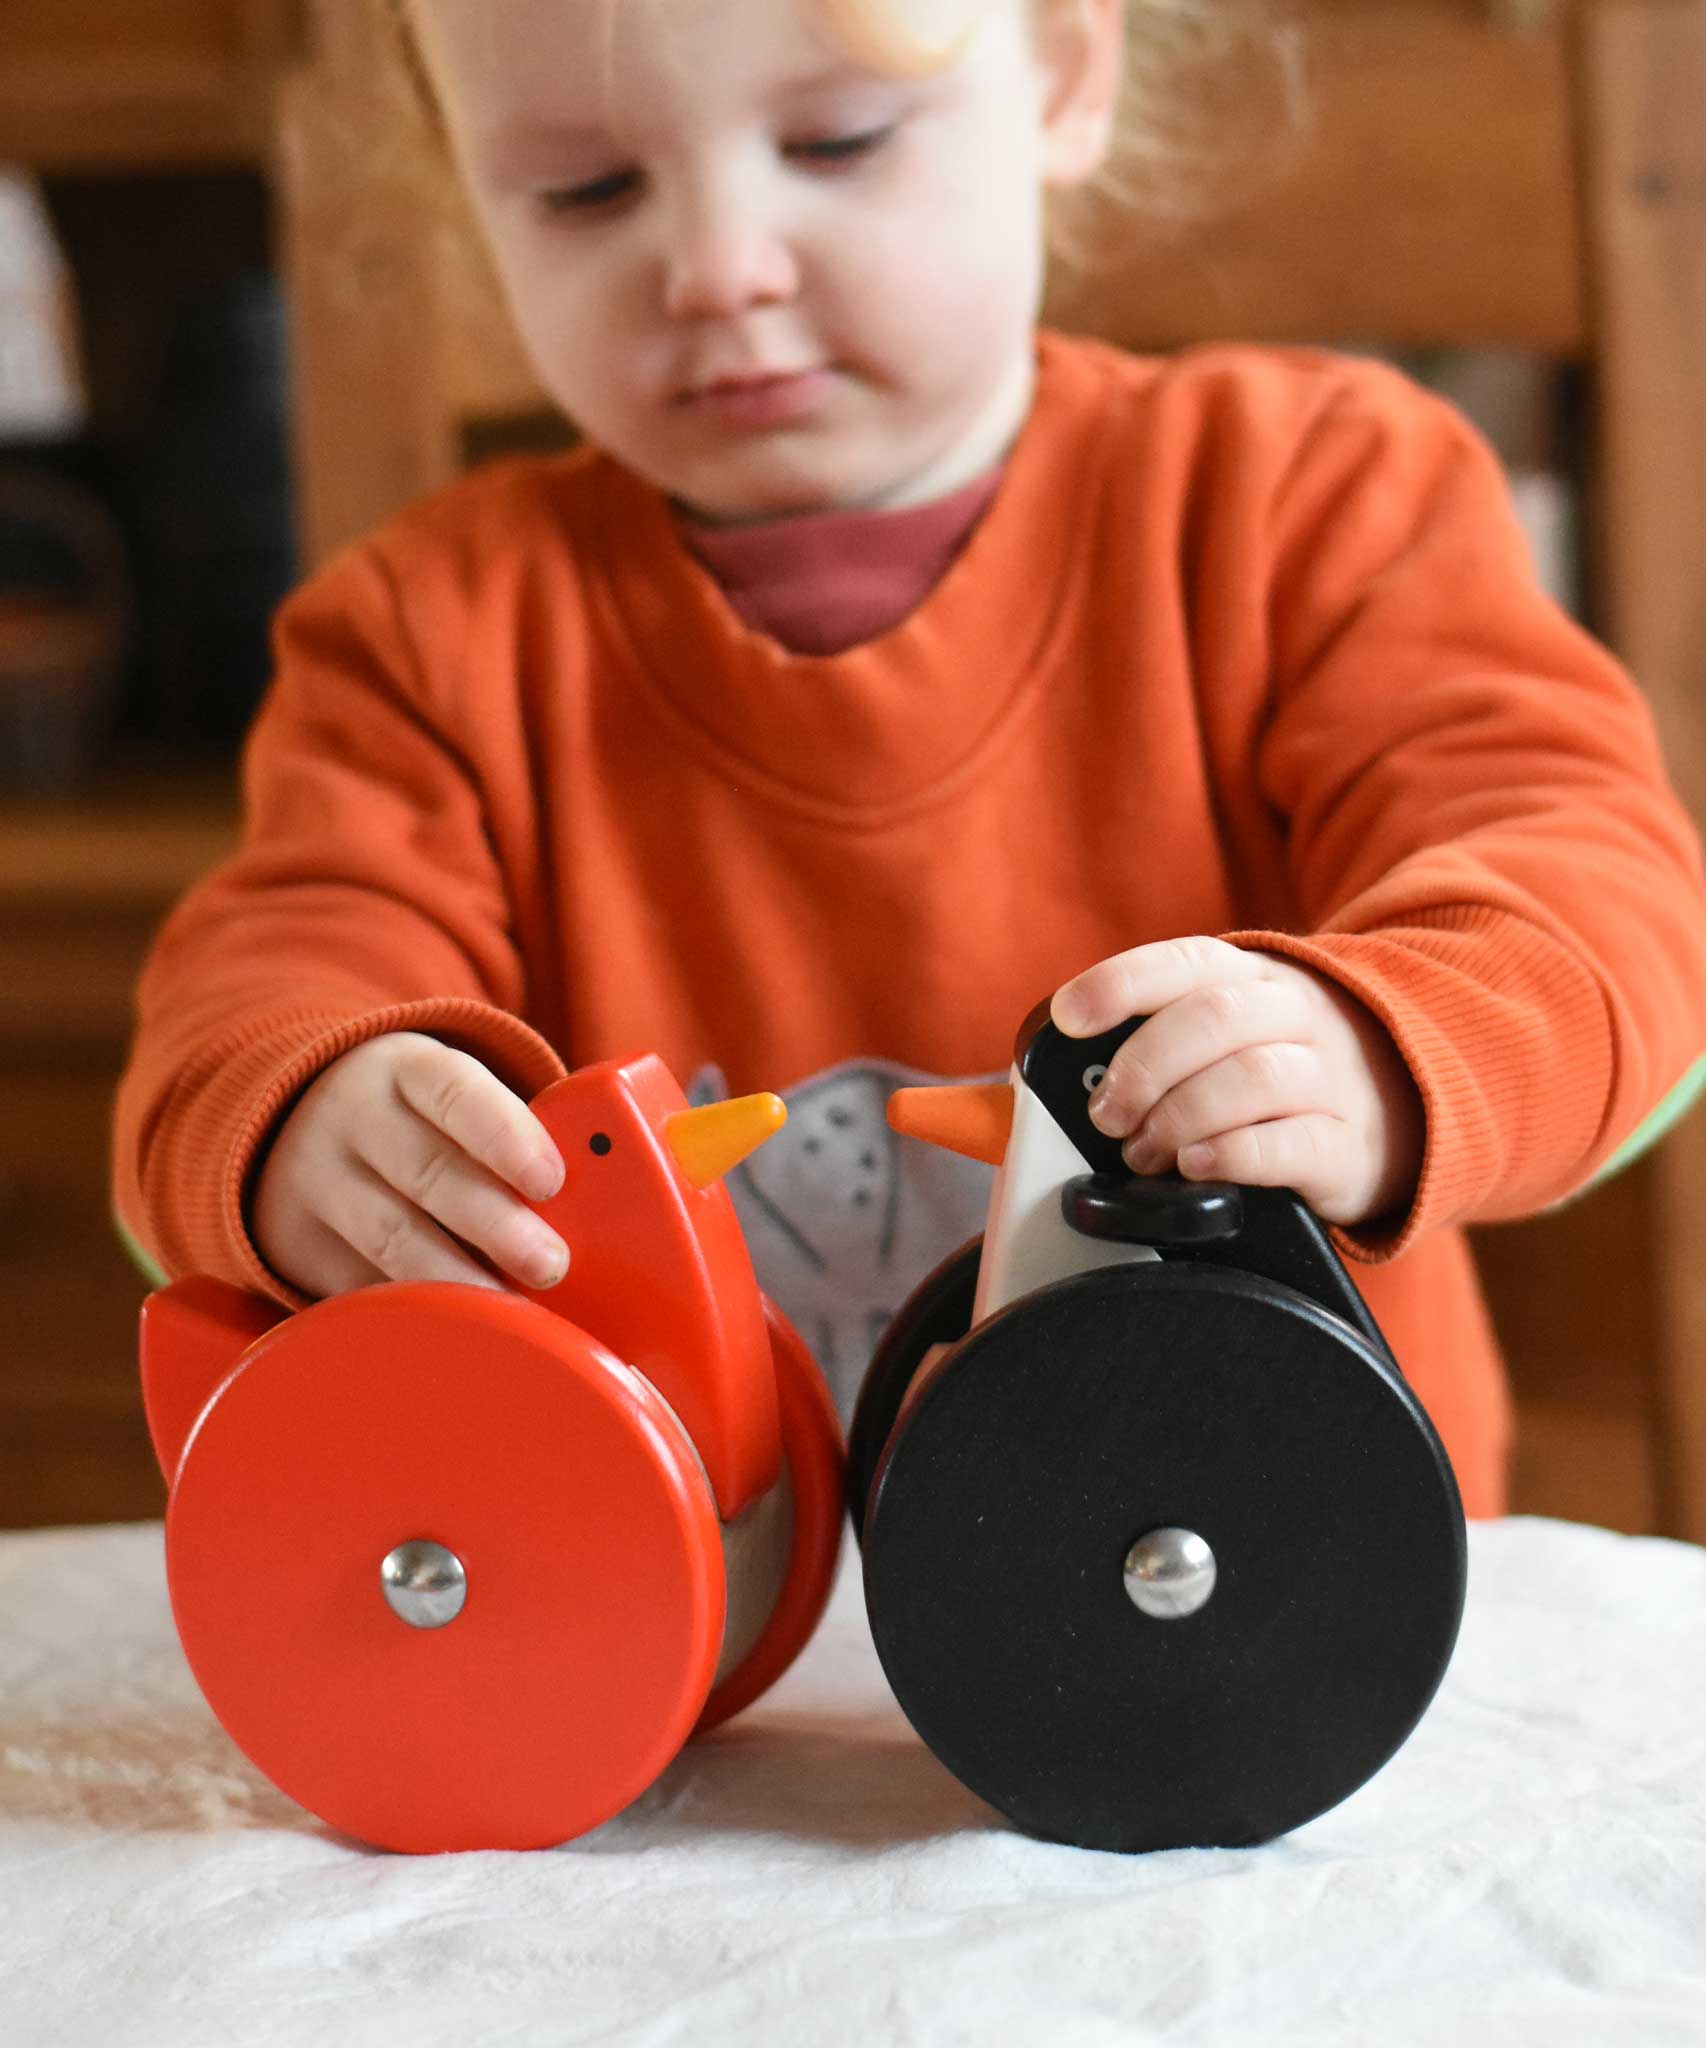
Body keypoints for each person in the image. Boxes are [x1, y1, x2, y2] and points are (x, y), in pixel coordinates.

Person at [113, 0, 1706, 1519]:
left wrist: (1381, 1049)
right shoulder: (417, 634)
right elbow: (255, 999)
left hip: (1259, 1600)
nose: (715, 269)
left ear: (1062, 74)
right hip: (666, 1660)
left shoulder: (1318, 501)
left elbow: (1604, 900)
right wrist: (294, 1124)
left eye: (840, 142)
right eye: (585, 190)